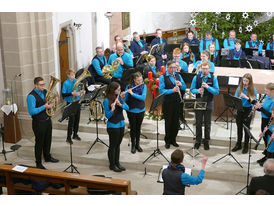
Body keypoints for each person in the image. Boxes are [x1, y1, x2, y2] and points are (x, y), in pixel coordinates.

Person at [27, 77, 59, 169]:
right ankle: (38, 162)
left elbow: (49, 103)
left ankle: (47, 157)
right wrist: (44, 106)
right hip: (38, 123)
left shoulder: (45, 92)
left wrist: (53, 102)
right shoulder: (31, 96)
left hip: (47, 120)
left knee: (48, 140)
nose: (43, 86)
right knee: (39, 142)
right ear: (35, 85)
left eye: (43, 84)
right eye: (41, 85)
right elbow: (31, 111)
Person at [190, 61, 219, 150]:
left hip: (209, 102)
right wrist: (197, 91)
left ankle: (206, 141)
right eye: (203, 68)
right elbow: (192, 89)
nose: (204, 70)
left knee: (207, 123)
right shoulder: (196, 77)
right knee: (198, 122)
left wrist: (207, 87)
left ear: (209, 69)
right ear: (201, 68)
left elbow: (216, 91)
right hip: (199, 101)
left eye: (206, 68)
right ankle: (198, 141)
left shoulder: (213, 78)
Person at [159, 61, 186, 149]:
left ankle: (173, 139)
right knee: (168, 122)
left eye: (174, 67)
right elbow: (161, 90)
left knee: (175, 122)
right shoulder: (163, 77)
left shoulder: (178, 75)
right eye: (171, 67)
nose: (173, 69)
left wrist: (181, 84)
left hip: (177, 102)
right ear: (167, 67)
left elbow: (184, 87)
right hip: (168, 103)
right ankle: (167, 140)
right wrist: (172, 90)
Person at [103, 82, 129, 172]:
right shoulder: (106, 100)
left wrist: (121, 103)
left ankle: (117, 163)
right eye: (118, 89)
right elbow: (107, 116)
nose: (120, 90)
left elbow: (127, 108)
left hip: (121, 123)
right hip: (113, 126)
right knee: (113, 146)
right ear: (113, 90)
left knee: (118, 145)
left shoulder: (119, 97)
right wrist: (112, 110)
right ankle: (112, 165)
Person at [232, 73, 257, 154]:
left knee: (246, 128)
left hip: (248, 110)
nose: (245, 82)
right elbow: (235, 98)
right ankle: (238, 144)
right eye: (244, 81)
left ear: (250, 82)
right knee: (239, 127)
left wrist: (245, 97)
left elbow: (254, 102)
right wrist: (238, 98)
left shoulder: (253, 89)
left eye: (246, 81)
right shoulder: (239, 88)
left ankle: (246, 145)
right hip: (240, 109)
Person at [124, 72, 147, 154]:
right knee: (133, 128)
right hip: (131, 110)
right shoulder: (129, 87)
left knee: (138, 128)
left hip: (141, 110)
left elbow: (142, 98)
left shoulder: (144, 86)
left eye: (141, 80)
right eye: (138, 80)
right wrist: (123, 95)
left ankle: (138, 144)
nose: (140, 82)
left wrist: (132, 94)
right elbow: (125, 99)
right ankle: (133, 145)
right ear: (134, 80)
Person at [62, 69, 83, 144]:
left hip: (77, 102)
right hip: (70, 103)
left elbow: (80, 89)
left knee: (77, 119)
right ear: (68, 75)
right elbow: (63, 95)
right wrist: (72, 93)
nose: (73, 76)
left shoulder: (76, 81)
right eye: (71, 75)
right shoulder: (65, 83)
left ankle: (75, 134)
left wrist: (82, 92)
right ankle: (68, 137)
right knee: (71, 121)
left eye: (74, 75)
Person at [255, 83, 274, 147]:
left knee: (268, 137)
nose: (265, 93)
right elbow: (263, 109)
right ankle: (267, 150)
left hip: (269, 121)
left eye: (267, 91)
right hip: (263, 119)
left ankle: (269, 152)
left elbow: (270, 115)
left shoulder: (273, 100)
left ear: (272, 91)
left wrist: (261, 108)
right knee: (264, 136)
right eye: (265, 91)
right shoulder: (267, 97)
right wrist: (257, 108)